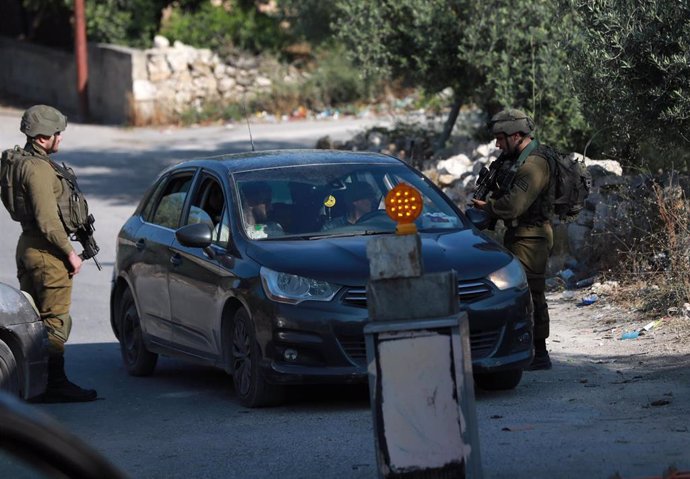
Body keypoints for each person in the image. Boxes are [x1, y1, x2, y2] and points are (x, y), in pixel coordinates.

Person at [1, 105, 98, 401]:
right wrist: (69, 252)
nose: (60, 138)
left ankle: (35, 383)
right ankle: (54, 385)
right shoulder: (39, 169)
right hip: (47, 252)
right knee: (54, 321)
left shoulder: (16, 162)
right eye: (57, 133)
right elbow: (47, 219)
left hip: (28, 246)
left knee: (34, 322)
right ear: (43, 137)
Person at [471, 108, 554, 371]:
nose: (497, 143)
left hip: (532, 236)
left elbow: (514, 205)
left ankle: (539, 353)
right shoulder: (515, 160)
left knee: (531, 291)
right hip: (519, 233)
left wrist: (487, 207)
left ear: (516, 135)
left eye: (501, 137)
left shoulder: (535, 164)